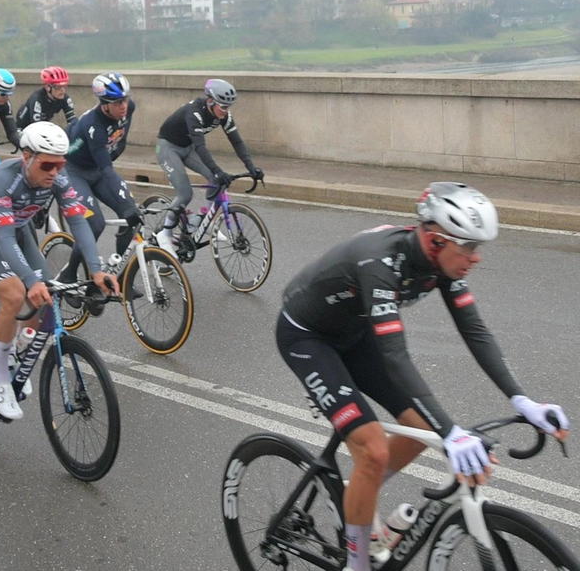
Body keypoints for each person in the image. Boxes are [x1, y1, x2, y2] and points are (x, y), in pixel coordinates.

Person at [278, 182, 569, 571]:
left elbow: (476, 332)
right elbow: (395, 357)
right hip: (307, 336)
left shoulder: (441, 263)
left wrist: (522, 399)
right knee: (376, 448)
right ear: (435, 240)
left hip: (354, 331)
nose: (476, 257)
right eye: (468, 246)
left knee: (423, 433)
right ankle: (357, 562)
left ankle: (356, 495)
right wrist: (452, 432)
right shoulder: (379, 262)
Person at [0, 122, 119, 419]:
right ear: (27, 156)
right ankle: (0, 376)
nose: (54, 172)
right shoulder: (4, 178)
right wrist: (29, 281)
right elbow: (2, 239)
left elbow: (78, 222)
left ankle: (16, 342)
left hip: (16, 230)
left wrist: (97, 270)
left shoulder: (57, 178)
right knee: (15, 294)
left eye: (60, 165)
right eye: (47, 165)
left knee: (47, 292)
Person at [154, 78, 263, 256]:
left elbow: (236, 141)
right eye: (223, 107)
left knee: (215, 181)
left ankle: (204, 219)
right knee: (185, 193)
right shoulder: (194, 113)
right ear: (211, 102)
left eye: (229, 107)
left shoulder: (223, 114)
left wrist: (251, 167)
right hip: (168, 148)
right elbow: (200, 146)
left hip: (187, 148)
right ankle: (164, 233)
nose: (226, 111)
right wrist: (218, 170)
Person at [58, 73, 141, 297]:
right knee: (95, 224)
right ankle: (69, 274)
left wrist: (127, 204)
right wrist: (112, 179)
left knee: (131, 214)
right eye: (117, 102)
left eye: (125, 99)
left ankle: (121, 278)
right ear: (104, 105)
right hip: (75, 171)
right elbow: (106, 168)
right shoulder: (93, 125)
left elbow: (120, 143)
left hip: (97, 168)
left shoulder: (128, 107)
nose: (124, 106)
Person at [15, 66, 77, 130]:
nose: (62, 90)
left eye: (64, 86)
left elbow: (73, 122)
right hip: (23, 129)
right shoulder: (37, 99)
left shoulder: (64, 98)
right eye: (58, 87)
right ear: (48, 87)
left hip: (42, 125)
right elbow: (37, 127)